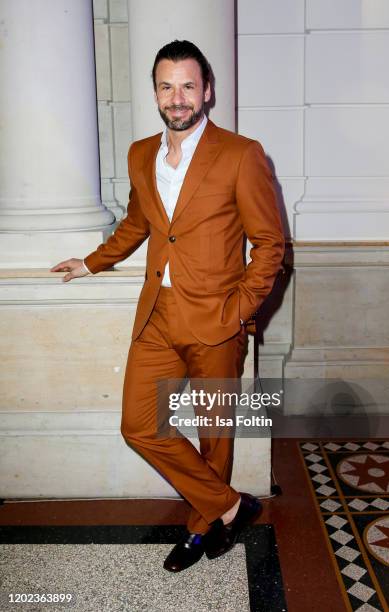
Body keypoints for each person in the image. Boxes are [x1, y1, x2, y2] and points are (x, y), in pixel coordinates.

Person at [51, 40, 284, 572]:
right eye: (166, 86)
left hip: (218, 319)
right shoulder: (140, 154)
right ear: (155, 92)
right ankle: (229, 506)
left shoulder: (241, 153)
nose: (177, 98)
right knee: (139, 424)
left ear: (207, 91)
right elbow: (137, 223)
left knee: (214, 434)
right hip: (158, 313)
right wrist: (92, 262)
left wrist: (241, 306)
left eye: (187, 86)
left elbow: (270, 244)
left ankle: (203, 529)